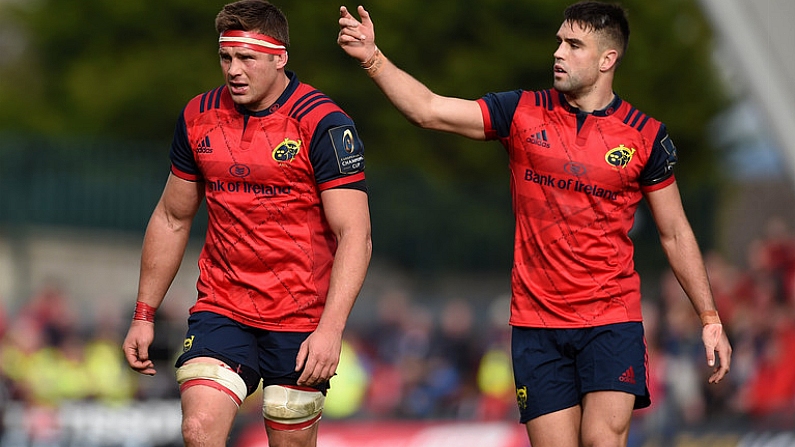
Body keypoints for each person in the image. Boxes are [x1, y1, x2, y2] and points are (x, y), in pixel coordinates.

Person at [337, 2, 731, 446]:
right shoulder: (521, 112)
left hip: (611, 318)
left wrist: (709, 315)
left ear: (608, 59)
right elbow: (429, 109)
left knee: (603, 439)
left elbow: (675, 232)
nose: (559, 52)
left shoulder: (644, 135)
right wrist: (373, 57)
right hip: (536, 324)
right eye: (559, 41)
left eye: (574, 45)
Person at [122, 0, 372, 445]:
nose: (233, 70)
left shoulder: (324, 124)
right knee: (198, 427)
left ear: (280, 57)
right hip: (223, 307)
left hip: (300, 317)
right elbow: (172, 217)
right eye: (226, 57)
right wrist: (144, 314)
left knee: (287, 427)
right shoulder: (198, 116)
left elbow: (356, 235)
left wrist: (331, 330)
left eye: (247, 58)